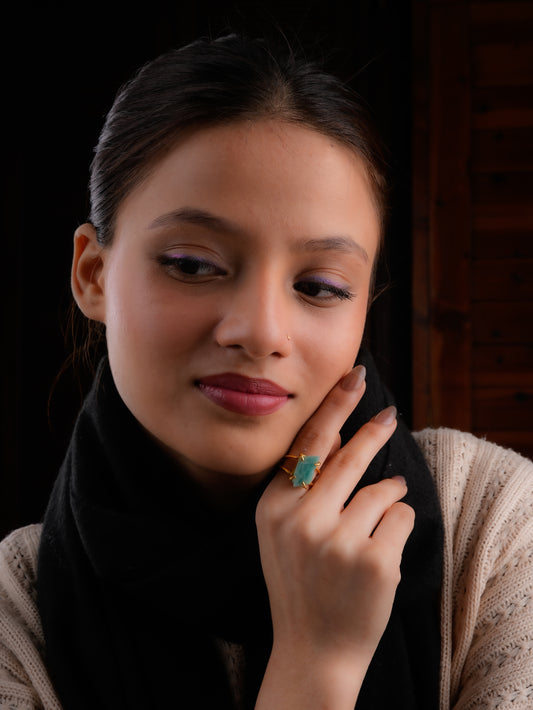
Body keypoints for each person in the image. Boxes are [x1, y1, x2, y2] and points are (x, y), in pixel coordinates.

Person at [1, 34, 532, 710]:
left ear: (364, 305)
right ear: (92, 274)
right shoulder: (16, 615)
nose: (259, 331)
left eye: (318, 285)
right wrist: (317, 661)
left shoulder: (493, 530)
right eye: (191, 265)